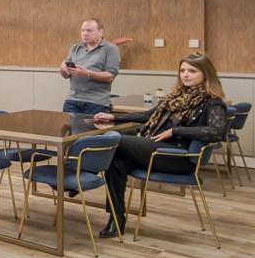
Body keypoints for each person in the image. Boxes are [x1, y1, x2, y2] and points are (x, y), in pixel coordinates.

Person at [92, 52, 229, 238]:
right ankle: (116, 218)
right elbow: (148, 115)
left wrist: (176, 131)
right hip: (156, 150)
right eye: (182, 70)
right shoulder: (176, 97)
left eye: (192, 71)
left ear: (206, 74)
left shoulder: (212, 102)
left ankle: (82, 173)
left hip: (179, 158)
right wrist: (114, 116)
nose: (185, 75)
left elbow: (218, 132)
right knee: (116, 161)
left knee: (115, 138)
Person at [59, 19, 120, 115]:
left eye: (89, 30)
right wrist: (63, 69)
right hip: (72, 99)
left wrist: (87, 73)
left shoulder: (111, 49)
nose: (85, 33)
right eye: (82, 30)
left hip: (96, 102)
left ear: (100, 32)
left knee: (90, 130)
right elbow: (66, 75)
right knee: (70, 128)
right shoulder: (75, 48)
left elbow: (110, 77)